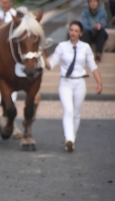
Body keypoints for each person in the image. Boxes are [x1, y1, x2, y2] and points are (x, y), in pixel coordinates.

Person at [45, 21, 102, 152]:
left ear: (80, 33)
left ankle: (71, 140)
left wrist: (99, 82)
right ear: (68, 31)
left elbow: (93, 66)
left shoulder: (86, 47)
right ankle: (69, 139)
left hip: (80, 82)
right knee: (68, 110)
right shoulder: (61, 46)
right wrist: (43, 53)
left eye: (76, 31)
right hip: (65, 82)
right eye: (71, 30)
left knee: (76, 114)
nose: (73, 33)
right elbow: (50, 65)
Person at [0, 0, 17, 105]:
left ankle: (12, 98)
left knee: (12, 74)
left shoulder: (16, 15)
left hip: (11, 50)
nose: (3, 5)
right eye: (2, 3)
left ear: (11, 4)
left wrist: (3, 24)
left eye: (5, 3)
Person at [81, 0, 108, 64]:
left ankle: (98, 55)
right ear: (88, 3)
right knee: (85, 32)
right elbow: (84, 25)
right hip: (89, 33)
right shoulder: (85, 12)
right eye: (91, 2)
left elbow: (103, 23)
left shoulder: (103, 12)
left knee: (101, 31)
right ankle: (86, 55)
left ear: (98, 3)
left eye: (94, 2)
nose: (93, 3)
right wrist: (92, 27)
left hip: (98, 33)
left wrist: (99, 26)